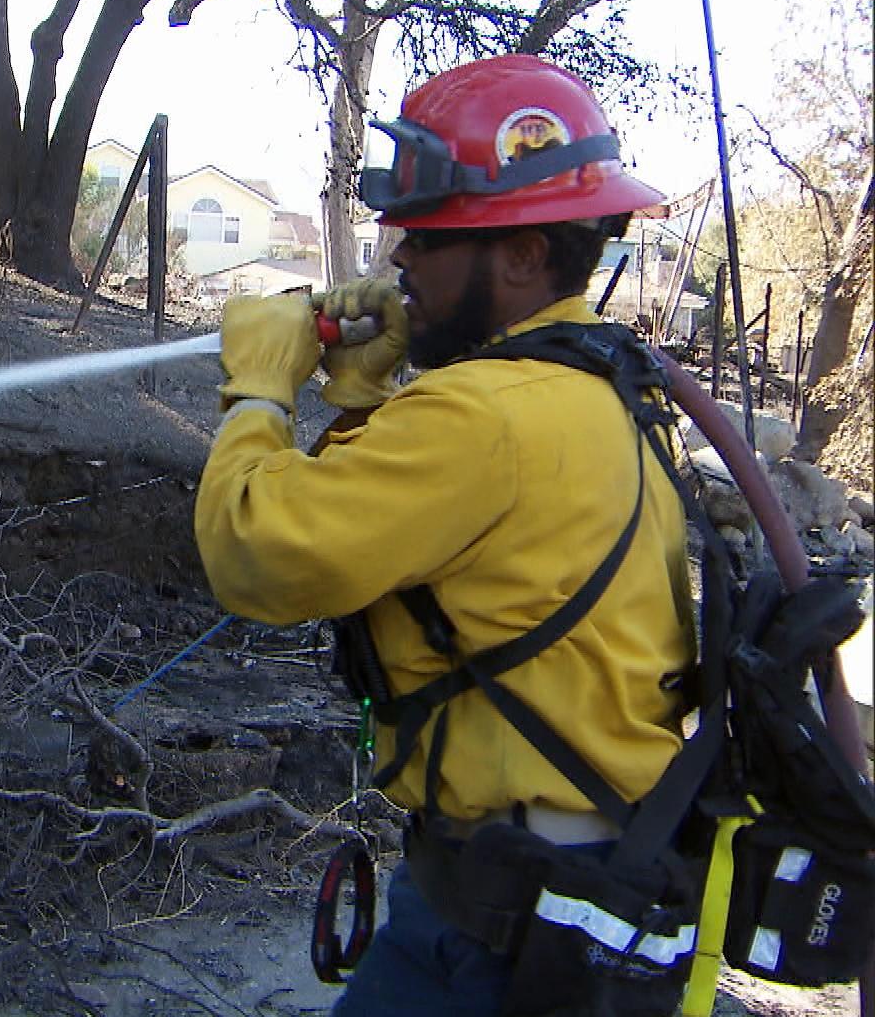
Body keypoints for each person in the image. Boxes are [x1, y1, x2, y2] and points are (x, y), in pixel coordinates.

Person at [193, 54, 694, 1015]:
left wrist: (259, 387)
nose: (398, 261)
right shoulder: (589, 387)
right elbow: (393, 540)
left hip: (519, 926)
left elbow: (260, 556)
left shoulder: (487, 412)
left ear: (520, 256)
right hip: (524, 886)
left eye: (428, 238)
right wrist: (360, 392)